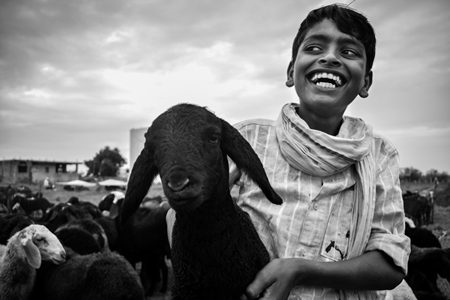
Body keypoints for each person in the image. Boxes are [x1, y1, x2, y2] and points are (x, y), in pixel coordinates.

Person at [227, 4, 410, 300]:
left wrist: (301, 270)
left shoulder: (379, 154)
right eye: (314, 47)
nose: (329, 57)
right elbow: (184, 218)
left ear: (365, 82)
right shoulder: (245, 139)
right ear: (290, 72)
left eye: (349, 52)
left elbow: (390, 264)